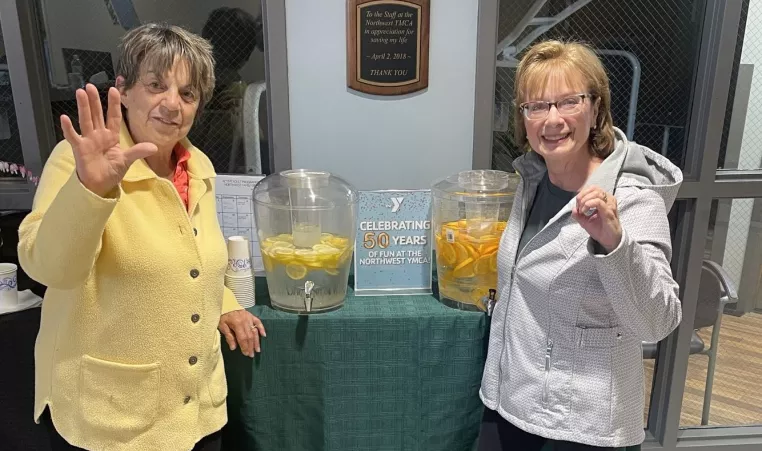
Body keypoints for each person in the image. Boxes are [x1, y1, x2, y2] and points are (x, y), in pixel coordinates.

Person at [18, 23, 265, 451]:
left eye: (188, 94)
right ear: (124, 90)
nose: (172, 104)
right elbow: (48, 268)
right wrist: (90, 190)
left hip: (198, 408)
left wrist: (226, 303)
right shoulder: (79, 163)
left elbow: (193, 259)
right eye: (156, 85)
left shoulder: (199, 165)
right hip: (114, 420)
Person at [478, 40, 683, 450]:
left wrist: (615, 242)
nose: (551, 119)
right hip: (512, 403)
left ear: (596, 108)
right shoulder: (533, 182)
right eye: (536, 106)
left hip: (582, 426)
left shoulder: (632, 198)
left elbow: (659, 321)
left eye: (568, 101)